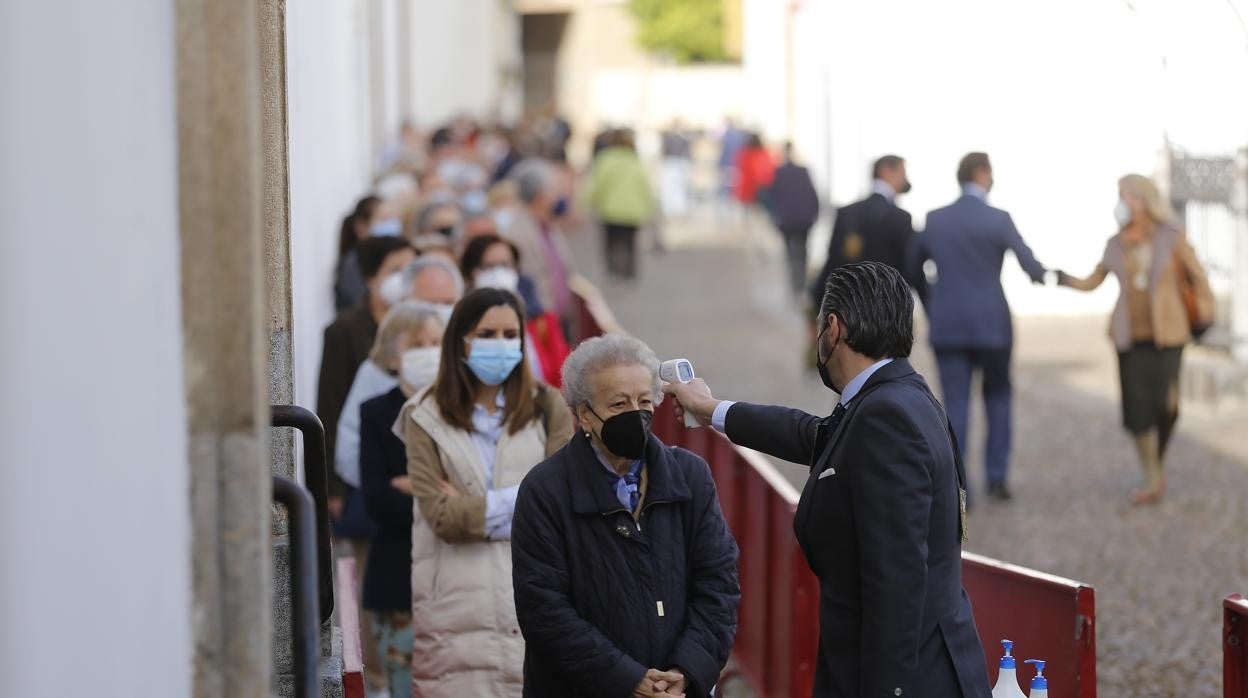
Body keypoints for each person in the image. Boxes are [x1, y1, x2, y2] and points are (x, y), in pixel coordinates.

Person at [665, 262, 990, 698]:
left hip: (903, 679)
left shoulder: (884, 416)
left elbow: (896, 580)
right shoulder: (902, 395)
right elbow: (813, 434)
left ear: (833, 328)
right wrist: (712, 410)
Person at [512, 335, 740, 698]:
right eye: (619, 404)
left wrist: (686, 670)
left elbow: (719, 584)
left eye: (644, 401)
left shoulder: (690, 476)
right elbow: (544, 610)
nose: (636, 413)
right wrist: (627, 679)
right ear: (584, 414)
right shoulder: (546, 491)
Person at [398, 288, 574, 697]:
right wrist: (533, 502)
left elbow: (563, 505)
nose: (501, 345)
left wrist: (474, 507)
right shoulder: (423, 415)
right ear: (461, 340)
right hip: (456, 607)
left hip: (539, 594)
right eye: (488, 334)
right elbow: (441, 517)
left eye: (510, 334)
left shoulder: (549, 406)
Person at [1057, 174, 1214, 505]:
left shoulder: (1171, 237)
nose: (1122, 202)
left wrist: (1206, 314)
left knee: (1169, 406)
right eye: (1120, 195)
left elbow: (1198, 278)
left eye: (1127, 195)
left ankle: (1158, 458)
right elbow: (1093, 281)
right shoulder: (1115, 244)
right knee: (1137, 409)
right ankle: (1152, 475)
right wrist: (1061, 279)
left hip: (1169, 335)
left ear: (1144, 200)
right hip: (1129, 337)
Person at [912, 152, 1047, 501]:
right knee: (998, 398)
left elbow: (913, 266)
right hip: (992, 324)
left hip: (949, 323)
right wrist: (1047, 276)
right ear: (983, 174)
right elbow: (1030, 264)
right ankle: (997, 477)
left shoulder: (936, 219)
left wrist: (934, 299)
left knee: (955, 403)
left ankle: (960, 487)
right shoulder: (998, 219)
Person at [315, 234, 414, 695]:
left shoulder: (418, 328)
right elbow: (332, 407)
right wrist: (332, 486)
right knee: (372, 578)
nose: (403, 278)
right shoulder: (346, 332)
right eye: (396, 268)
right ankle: (378, 677)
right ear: (372, 276)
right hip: (369, 482)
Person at [358, 301, 446, 698]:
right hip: (397, 578)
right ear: (395, 353)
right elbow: (376, 499)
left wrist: (412, 484)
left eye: (435, 342)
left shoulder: (456, 411)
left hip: (451, 576)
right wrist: (439, 492)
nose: (428, 351)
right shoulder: (375, 413)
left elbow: (476, 491)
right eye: (417, 343)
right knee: (404, 686)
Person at [460, 234, 570, 386]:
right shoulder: (462, 322)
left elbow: (562, 372)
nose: (498, 273)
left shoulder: (541, 320)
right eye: (488, 267)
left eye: (506, 265)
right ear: (470, 273)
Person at [811, 155, 916, 309]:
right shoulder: (901, 218)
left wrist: (816, 303)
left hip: (849, 310)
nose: (905, 178)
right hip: (887, 313)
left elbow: (832, 262)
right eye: (902, 172)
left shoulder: (847, 213)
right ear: (886, 172)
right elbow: (909, 269)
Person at [503, 159, 576, 335]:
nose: (558, 196)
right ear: (539, 195)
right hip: (541, 324)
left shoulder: (548, 226)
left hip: (558, 319)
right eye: (553, 190)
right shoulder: (518, 233)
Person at [587, 129, 654, 280]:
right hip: (632, 209)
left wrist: (589, 201)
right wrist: (648, 207)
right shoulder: (635, 161)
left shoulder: (605, 159)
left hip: (611, 208)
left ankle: (613, 269)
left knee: (611, 241)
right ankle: (629, 270)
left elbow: (596, 183)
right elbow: (644, 186)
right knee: (630, 242)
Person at [768, 142, 821, 297]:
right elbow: (812, 195)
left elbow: (773, 197)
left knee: (790, 253)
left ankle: (795, 286)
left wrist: (776, 217)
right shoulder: (802, 171)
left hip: (787, 220)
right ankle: (801, 284)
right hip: (804, 219)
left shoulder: (779, 172)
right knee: (803, 251)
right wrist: (813, 214)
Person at [335, 195, 402, 311]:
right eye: (384, 220)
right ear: (361, 227)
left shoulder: (393, 255)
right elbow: (361, 302)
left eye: (393, 218)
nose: (391, 225)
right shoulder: (354, 263)